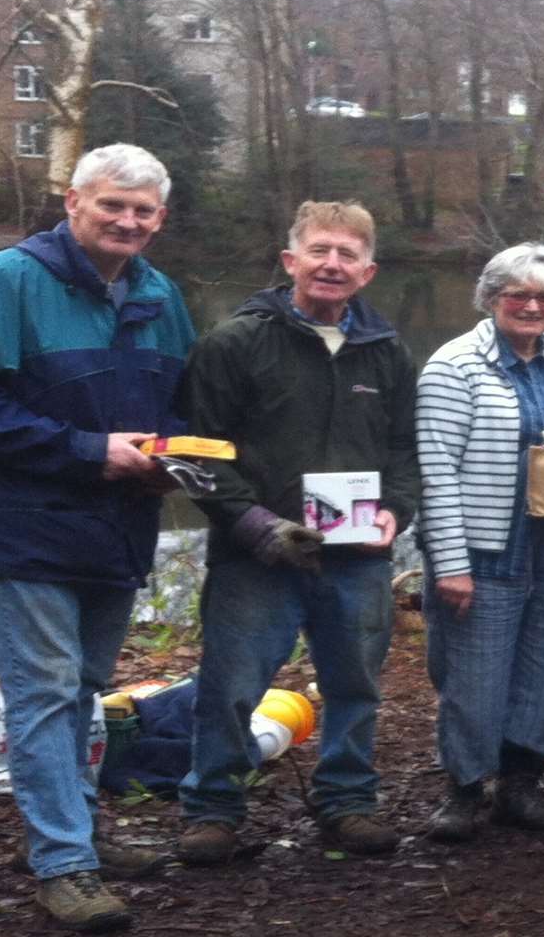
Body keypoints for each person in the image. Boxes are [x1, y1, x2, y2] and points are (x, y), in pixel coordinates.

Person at [0, 143, 194, 931]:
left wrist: (168, 456)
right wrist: (87, 451)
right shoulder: (4, 279)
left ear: (160, 220)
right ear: (72, 201)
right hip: (25, 528)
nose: (127, 220)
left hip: (116, 528)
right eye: (113, 204)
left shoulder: (160, 294)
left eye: (143, 210)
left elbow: (180, 403)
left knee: (83, 689)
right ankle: (65, 864)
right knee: (42, 693)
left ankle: (68, 829)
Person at [175, 201, 419, 864]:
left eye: (347, 254)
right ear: (291, 262)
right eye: (319, 251)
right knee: (229, 689)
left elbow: (405, 451)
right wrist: (257, 526)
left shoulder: (387, 352)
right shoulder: (235, 342)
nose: (332, 264)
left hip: (358, 558)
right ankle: (214, 809)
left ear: (367, 271)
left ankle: (347, 800)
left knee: (356, 687)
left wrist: (397, 508)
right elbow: (197, 456)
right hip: (256, 556)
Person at [416, 243, 544, 837]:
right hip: (487, 550)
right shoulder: (454, 365)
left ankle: (522, 784)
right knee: (475, 677)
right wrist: (450, 563)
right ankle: (465, 790)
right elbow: (435, 467)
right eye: (519, 295)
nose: (532, 306)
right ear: (491, 298)